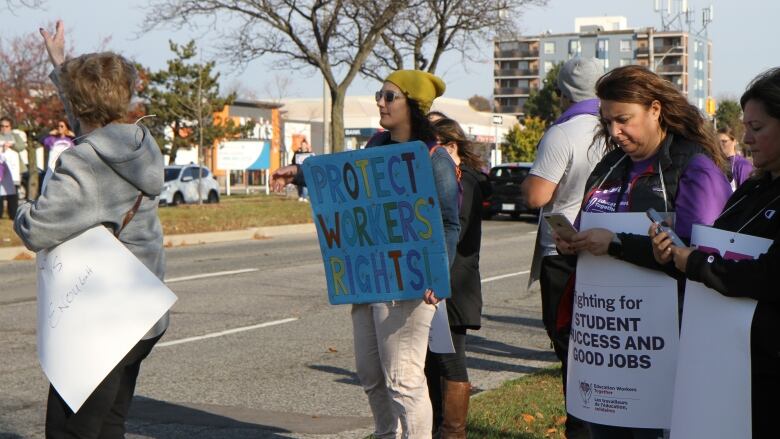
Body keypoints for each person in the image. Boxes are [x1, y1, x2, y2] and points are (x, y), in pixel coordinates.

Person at [272, 69, 459, 438]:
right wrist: (297, 172)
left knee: (403, 379)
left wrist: (439, 275)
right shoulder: (375, 146)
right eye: (380, 94)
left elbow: (450, 224)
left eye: (390, 96)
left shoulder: (434, 158)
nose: (380, 101)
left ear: (413, 106)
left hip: (411, 283)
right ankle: (387, 433)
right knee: (372, 376)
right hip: (371, 277)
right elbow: (339, 175)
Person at [556, 65, 732, 439]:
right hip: (607, 345)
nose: (615, 132)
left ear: (655, 109)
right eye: (608, 122)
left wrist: (617, 245)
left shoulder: (694, 165)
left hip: (669, 341)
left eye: (624, 120)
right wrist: (575, 244)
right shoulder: (609, 166)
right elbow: (594, 230)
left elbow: (699, 256)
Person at [14, 21, 168, 438]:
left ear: (83, 107)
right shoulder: (136, 142)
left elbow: (38, 229)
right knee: (109, 423)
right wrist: (59, 63)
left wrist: (19, 205)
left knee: (70, 430)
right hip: (141, 309)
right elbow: (90, 125)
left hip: (103, 316)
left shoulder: (86, 164)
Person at [650, 67, 780, 438]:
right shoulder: (753, 188)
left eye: (757, 129)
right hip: (729, 364)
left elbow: (769, 276)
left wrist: (694, 262)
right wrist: (676, 256)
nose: (745, 139)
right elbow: (720, 252)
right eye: (745, 127)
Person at [519, 56, 605, 439]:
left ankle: (581, 425)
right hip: (607, 250)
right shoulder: (613, 128)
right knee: (600, 345)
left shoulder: (563, 133)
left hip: (562, 252)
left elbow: (537, 196)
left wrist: (526, 183)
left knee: (570, 346)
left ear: (562, 93)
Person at [425, 117, 490, 438]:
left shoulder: (465, 183)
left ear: (452, 147)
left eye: (434, 147)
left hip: (453, 287)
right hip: (439, 287)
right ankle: (435, 427)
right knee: (429, 365)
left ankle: (452, 431)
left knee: (450, 362)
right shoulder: (451, 179)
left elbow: (453, 230)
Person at [0, 116, 25, 217]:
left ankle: (13, 213)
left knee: (13, 192)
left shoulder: (15, 136)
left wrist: (11, 145)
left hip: (14, 169)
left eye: (6, 126)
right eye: (2, 126)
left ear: (10, 127)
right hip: (1, 169)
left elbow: (21, 147)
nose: (4, 128)